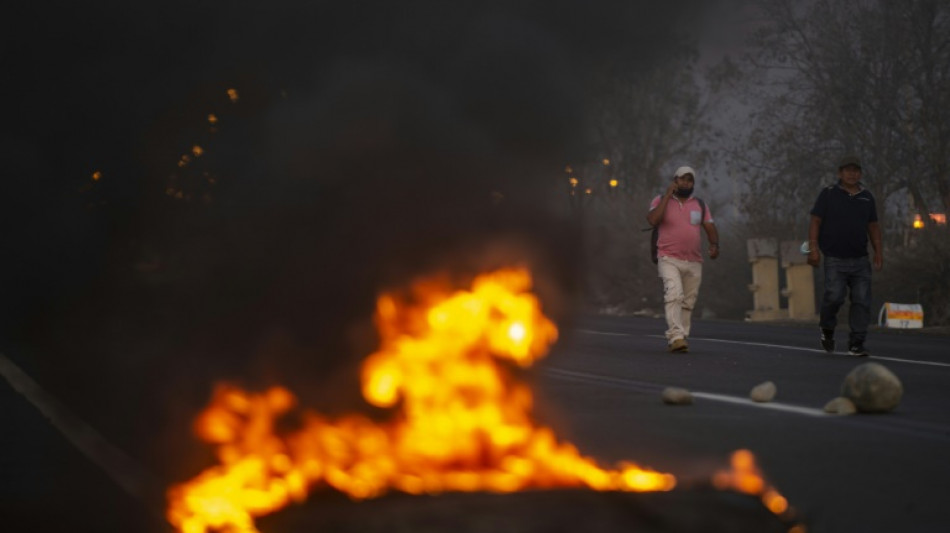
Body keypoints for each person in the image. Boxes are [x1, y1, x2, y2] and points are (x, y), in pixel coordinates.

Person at [807, 155, 883, 356]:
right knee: (834, 296)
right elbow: (815, 221)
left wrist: (878, 252)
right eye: (848, 170)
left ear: (860, 173)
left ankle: (857, 342)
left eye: (856, 170)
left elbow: (873, 226)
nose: (852, 174)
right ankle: (827, 328)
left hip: (860, 259)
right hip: (834, 258)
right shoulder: (829, 194)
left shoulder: (867, 197)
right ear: (840, 173)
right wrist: (813, 248)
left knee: (862, 300)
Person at [646, 166, 719, 353]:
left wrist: (714, 245)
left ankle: (681, 336)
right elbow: (653, 220)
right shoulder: (660, 200)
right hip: (668, 258)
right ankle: (675, 336)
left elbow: (709, 226)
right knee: (674, 295)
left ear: (693, 183)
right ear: (674, 180)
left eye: (689, 180)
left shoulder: (700, 205)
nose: (685, 182)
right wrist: (668, 196)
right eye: (682, 179)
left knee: (688, 301)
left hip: (694, 261)